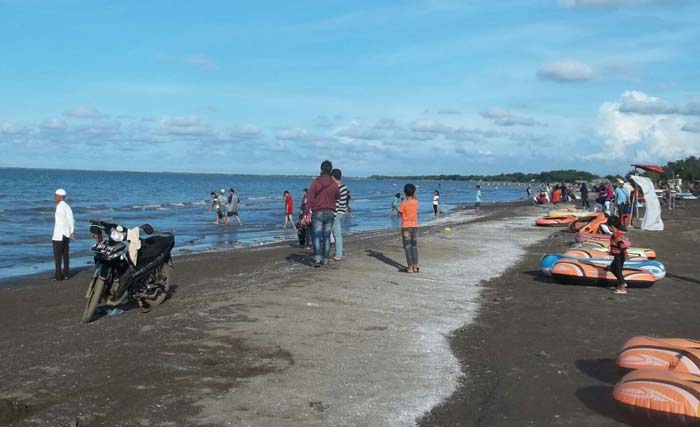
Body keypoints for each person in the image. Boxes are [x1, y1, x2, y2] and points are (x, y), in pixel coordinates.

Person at [305, 160, 340, 267]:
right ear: (330, 170)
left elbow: (310, 198)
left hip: (318, 212)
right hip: (330, 212)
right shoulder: (334, 184)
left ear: (321, 170)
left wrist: (306, 212)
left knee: (316, 236)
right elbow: (337, 196)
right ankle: (325, 259)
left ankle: (317, 259)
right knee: (326, 237)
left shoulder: (315, 182)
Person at [52, 188, 75, 281]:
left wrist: (66, 232)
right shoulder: (67, 206)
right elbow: (71, 220)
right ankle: (66, 274)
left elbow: (62, 222)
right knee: (65, 255)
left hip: (59, 235)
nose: (54, 197)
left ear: (60, 197)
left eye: (56, 195)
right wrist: (70, 232)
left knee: (57, 256)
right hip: (66, 234)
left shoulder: (60, 207)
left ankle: (58, 276)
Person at [398, 183, 419, 273]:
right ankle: (415, 266)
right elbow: (415, 199)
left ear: (405, 192)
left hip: (406, 226)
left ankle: (410, 267)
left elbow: (399, 214)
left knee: (407, 246)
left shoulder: (403, 203)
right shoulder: (416, 202)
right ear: (414, 192)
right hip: (414, 226)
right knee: (414, 246)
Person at [607, 215, 630, 295]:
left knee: (617, 271)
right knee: (613, 268)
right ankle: (622, 283)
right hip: (618, 255)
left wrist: (626, 254)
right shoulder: (617, 234)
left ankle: (622, 287)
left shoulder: (616, 235)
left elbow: (622, 245)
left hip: (619, 256)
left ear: (611, 226)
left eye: (608, 226)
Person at [331, 168, 349, 261]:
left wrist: (333, 214)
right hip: (341, 212)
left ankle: (338, 254)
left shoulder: (338, 188)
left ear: (333, 177)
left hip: (337, 213)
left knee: (337, 234)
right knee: (336, 234)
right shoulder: (344, 187)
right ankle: (338, 252)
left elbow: (336, 203)